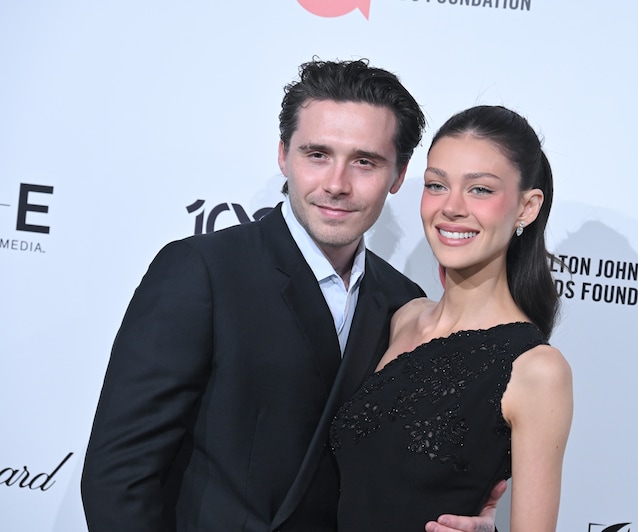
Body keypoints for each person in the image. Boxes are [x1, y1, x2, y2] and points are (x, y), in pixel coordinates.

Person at [81, 59, 501, 532]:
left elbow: (397, 472)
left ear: (399, 175)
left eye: (364, 161)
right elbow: (119, 476)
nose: (337, 184)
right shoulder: (203, 272)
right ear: (284, 155)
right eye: (317, 154)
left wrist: (461, 515)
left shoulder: (403, 304)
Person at [330, 105, 574, 532]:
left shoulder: (536, 369)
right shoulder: (402, 316)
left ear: (527, 207)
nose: (452, 207)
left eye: (480, 189)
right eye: (437, 185)